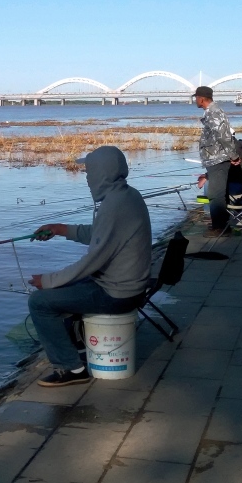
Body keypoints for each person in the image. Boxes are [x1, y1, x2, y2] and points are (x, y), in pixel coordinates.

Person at [27, 146, 152, 387]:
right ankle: (74, 347)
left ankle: (71, 369)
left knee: (39, 302)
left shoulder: (114, 205)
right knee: (62, 287)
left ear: (102, 173)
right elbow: (99, 234)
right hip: (127, 285)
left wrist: (48, 281)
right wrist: (61, 229)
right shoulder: (127, 196)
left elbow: (93, 260)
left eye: (88, 171)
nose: (86, 177)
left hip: (118, 293)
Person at [194, 86, 240, 236]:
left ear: (201, 98)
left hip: (218, 160)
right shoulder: (211, 112)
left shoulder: (214, 112)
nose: (195, 100)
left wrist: (233, 155)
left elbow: (223, 135)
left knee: (216, 193)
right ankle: (221, 225)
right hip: (214, 159)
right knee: (218, 192)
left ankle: (220, 228)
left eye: (196, 97)